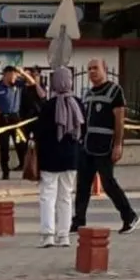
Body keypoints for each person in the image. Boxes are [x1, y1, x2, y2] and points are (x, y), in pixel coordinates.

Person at [73, 58, 140, 234]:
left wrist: (118, 144)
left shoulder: (114, 91)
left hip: (105, 146)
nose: (92, 72)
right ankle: (78, 220)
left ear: (105, 69)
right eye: (89, 69)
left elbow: (119, 120)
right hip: (87, 146)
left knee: (108, 184)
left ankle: (129, 216)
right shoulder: (88, 93)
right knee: (82, 186)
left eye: (96, 68)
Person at [33, 67, 83, 248]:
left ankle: (48, 235)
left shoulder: (48, 106)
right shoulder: (77, 103)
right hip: (71, 158)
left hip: (49, 158)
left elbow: (39, 132)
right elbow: (81, 129)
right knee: (66, 196)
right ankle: (64, 236)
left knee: (48, 196)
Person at [0, 65, 41, 180]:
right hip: (2, 119)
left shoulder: (18, 84)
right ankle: (5, 172)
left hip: (15, 119)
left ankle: (25, 168)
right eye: (14, 75)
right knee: (4, 147)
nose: (16, 77)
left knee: (22, 144)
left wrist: (22, 73)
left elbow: (33, 83)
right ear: (6, 74)